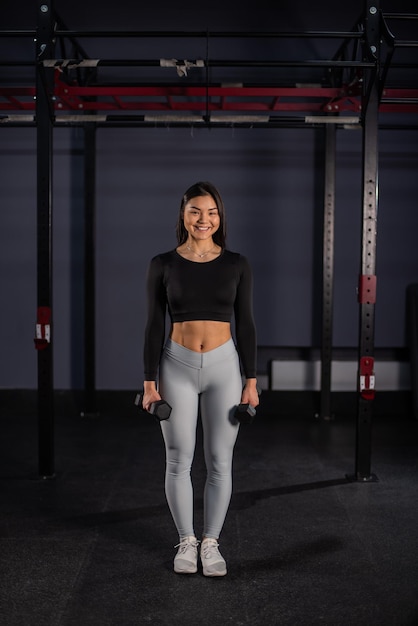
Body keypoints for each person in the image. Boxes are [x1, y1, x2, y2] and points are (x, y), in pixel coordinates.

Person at [141, 181, 259, 577]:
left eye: (210, 212)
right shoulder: (163, 264)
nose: (203, 219)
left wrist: (251, 380)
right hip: (176, 365)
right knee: (178, 460)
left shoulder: (237, 264)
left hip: (226, 367)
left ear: (220, 217)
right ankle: (186, 542)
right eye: (195, 211)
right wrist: (148, 381)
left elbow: (247, 324)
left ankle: (211, 542)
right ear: (183, 215)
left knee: (219, 462)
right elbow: (154, 324)